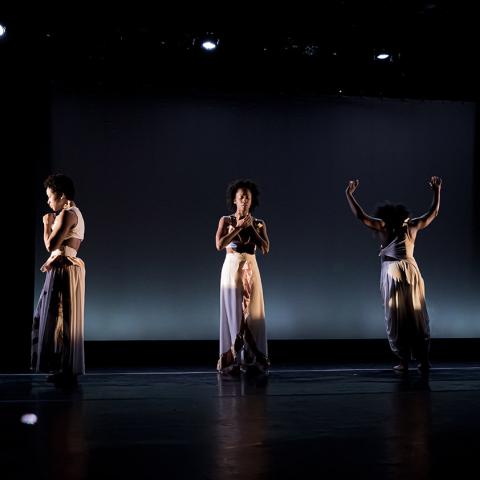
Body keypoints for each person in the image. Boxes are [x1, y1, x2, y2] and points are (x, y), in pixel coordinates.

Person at [345, 176, 442, 372]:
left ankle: (405, 360)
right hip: (411, 272)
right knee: (416, 315)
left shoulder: (385, 227)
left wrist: (349, 194)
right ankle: (422, 360)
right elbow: (434, 212)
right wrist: (437, 191)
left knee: (398, 316)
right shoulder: (411, 226)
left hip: (393, 273)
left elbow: (361, 216)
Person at [31, 174, 86, 385]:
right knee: (61, 318)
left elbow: (51, 245)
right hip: (63, 266)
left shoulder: (67, 214)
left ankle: (67, 370)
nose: (48, 201)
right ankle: (64, 367)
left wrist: (46, 224)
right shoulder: (72, 213)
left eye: (50, 196)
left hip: (65, 269)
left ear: (62, 195)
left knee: (60, 316)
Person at [215, 179, 270, 374]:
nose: (245, 200)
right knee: (234, 313)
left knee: (253, 314)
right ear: (235, 200)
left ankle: (252, 359)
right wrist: (238, 227)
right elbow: (219, 244)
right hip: (232, 269)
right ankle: (232, 361)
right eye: (241, 197)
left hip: (251, 268)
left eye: (248, 197)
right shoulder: (226, 220)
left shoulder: (259, 223)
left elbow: (265, 248)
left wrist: (251, 227)